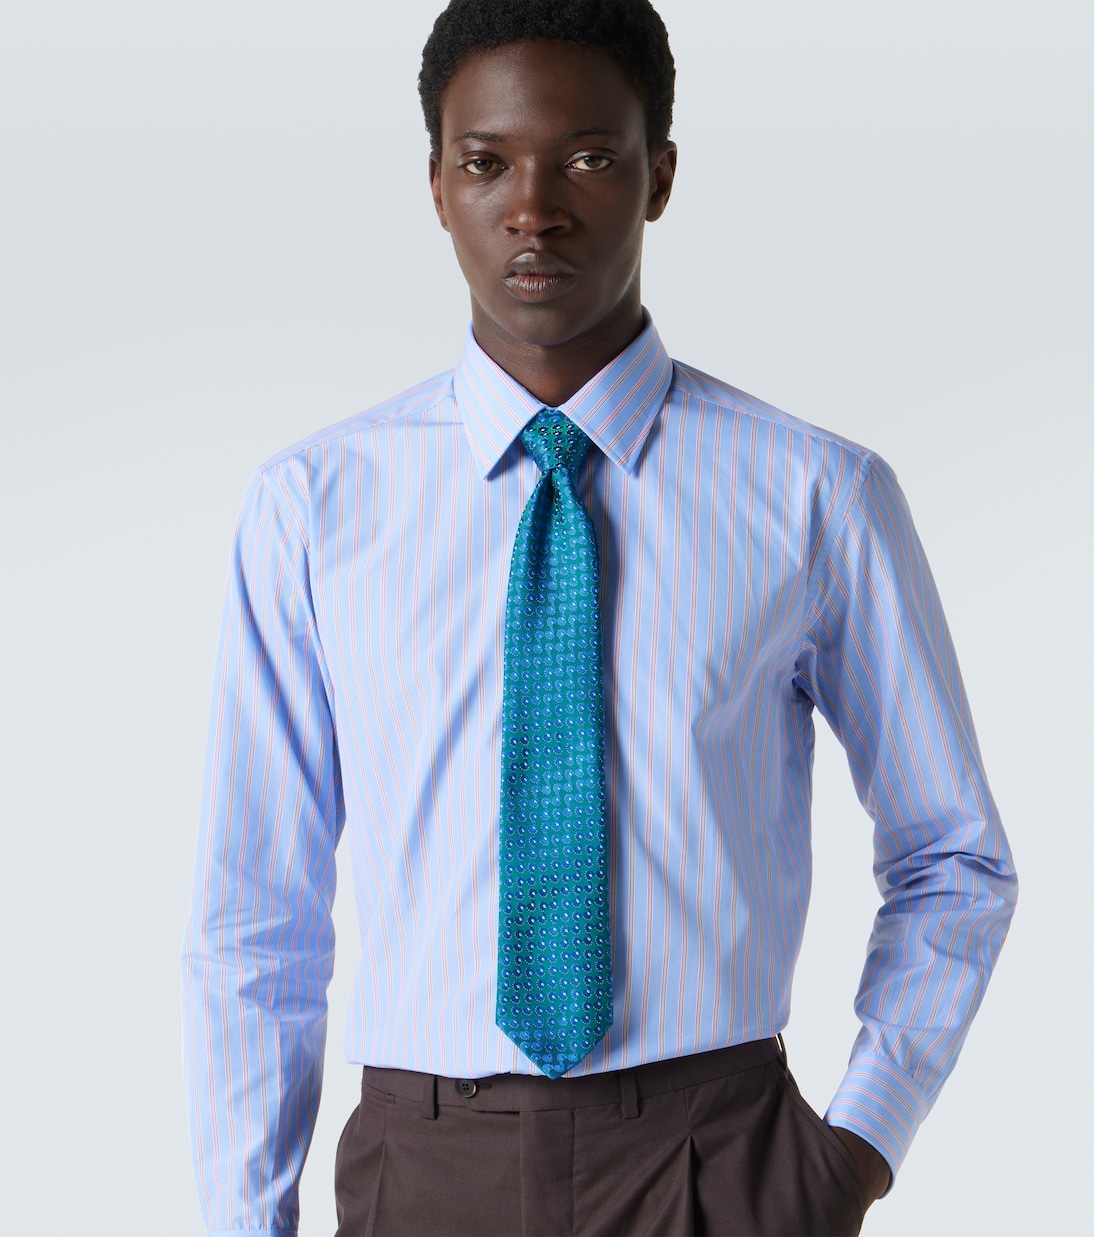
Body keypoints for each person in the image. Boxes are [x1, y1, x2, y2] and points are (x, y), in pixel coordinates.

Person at [182, 2, 1018, 1234]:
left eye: (584, 157)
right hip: (424, 1169)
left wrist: (852, 1149)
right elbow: (256, 909)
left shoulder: (814, 496)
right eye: (485, 162)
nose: (532, 209)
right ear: (435, 187)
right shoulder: (313, 507)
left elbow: (952, 854)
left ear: (657, 175)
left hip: (717, 1162)